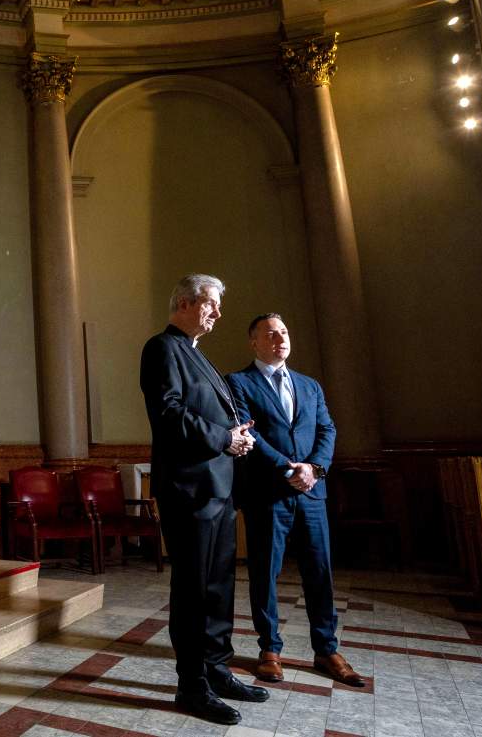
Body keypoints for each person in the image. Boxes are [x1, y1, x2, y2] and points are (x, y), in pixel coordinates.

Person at [139, 274, 269, 725]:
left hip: (218, 488)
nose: (217, 313)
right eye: (211, 304)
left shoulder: (198, 356)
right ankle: (191, 685)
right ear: (185, 303)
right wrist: (223, 438)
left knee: (218, 588)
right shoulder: (162, 348)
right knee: (193, 590)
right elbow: (169, 413)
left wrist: (239, 437)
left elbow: (215, 414)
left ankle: (216, 670)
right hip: (188, 490)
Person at [225, 313, 366, 688]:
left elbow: (327, 428)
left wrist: (315, 469)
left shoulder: (309, 385)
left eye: (284, 332)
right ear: (253, 342)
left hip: (312, 493)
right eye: (270, 334)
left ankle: (326, 648)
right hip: (268, 494)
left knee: (319, 571)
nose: (279, 338)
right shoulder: (238, 382)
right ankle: (269, 649)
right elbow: (248, 435)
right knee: (265, 572)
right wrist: (289, 469)